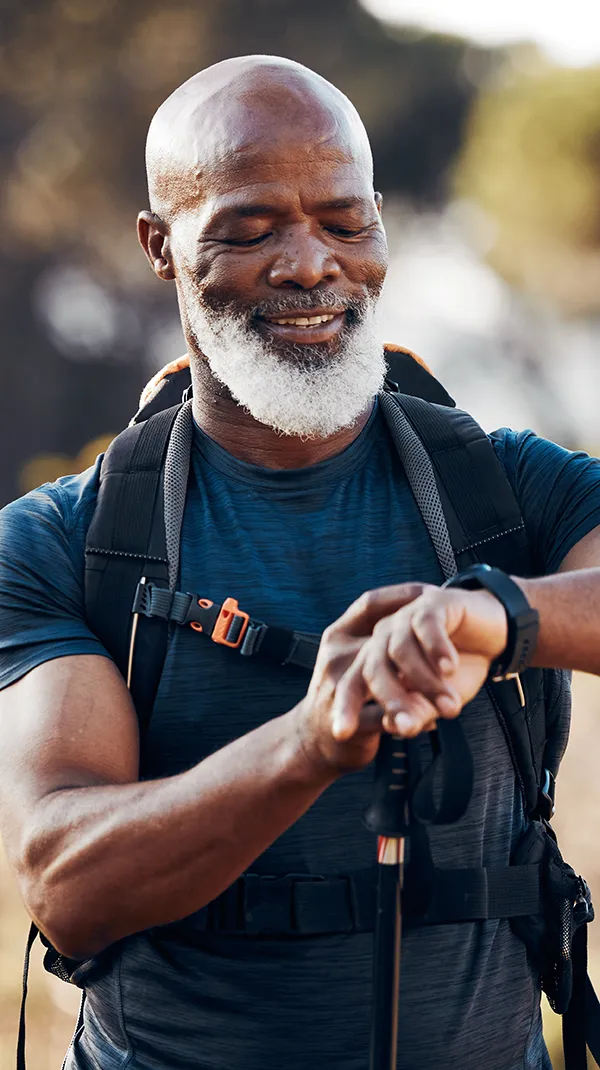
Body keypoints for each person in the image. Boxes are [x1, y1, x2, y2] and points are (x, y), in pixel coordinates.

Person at [1, 54, 600, 1070]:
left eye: (344, 220)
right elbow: (66, 885)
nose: (310, 263)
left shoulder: (505, 491)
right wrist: (312, 741)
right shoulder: (63, 540)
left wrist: (496, 615)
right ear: (159, 245)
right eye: (249, 229)